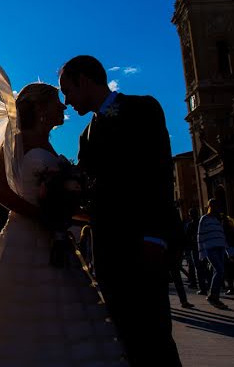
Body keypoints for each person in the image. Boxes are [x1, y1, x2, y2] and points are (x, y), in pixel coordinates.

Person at [0, 83, 124, 366]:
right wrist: (44, 217)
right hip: (25, 236)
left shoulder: (48, 144)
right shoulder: (15, 140)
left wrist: (77, 212)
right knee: (20, 314)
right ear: (40, 108)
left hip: (54, 236)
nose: (63, 106)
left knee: (63, 315)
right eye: (56, 102)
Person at [62, 56, 182, 365]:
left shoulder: (141, 109)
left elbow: (158, 173)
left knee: (154, 336)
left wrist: (155, 237)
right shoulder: (84, 135)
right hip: (108, 251)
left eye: (68, 90)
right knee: (125, 337)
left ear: (85, 81)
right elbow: (89, 188)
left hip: (144, 244)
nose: (67, 101)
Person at [198, 199, 227, 308]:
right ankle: (213, 296)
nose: (215, 207)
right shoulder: (204, 219)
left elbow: (221, 234)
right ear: (209, 206)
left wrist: (227, 250)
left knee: (219, 272)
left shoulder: (218, 219)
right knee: (219, 271)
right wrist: (201, 252)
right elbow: (200, 235)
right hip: (211, 248)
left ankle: (215, 297)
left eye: (217, 205)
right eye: (213, 205)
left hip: (220, 248)